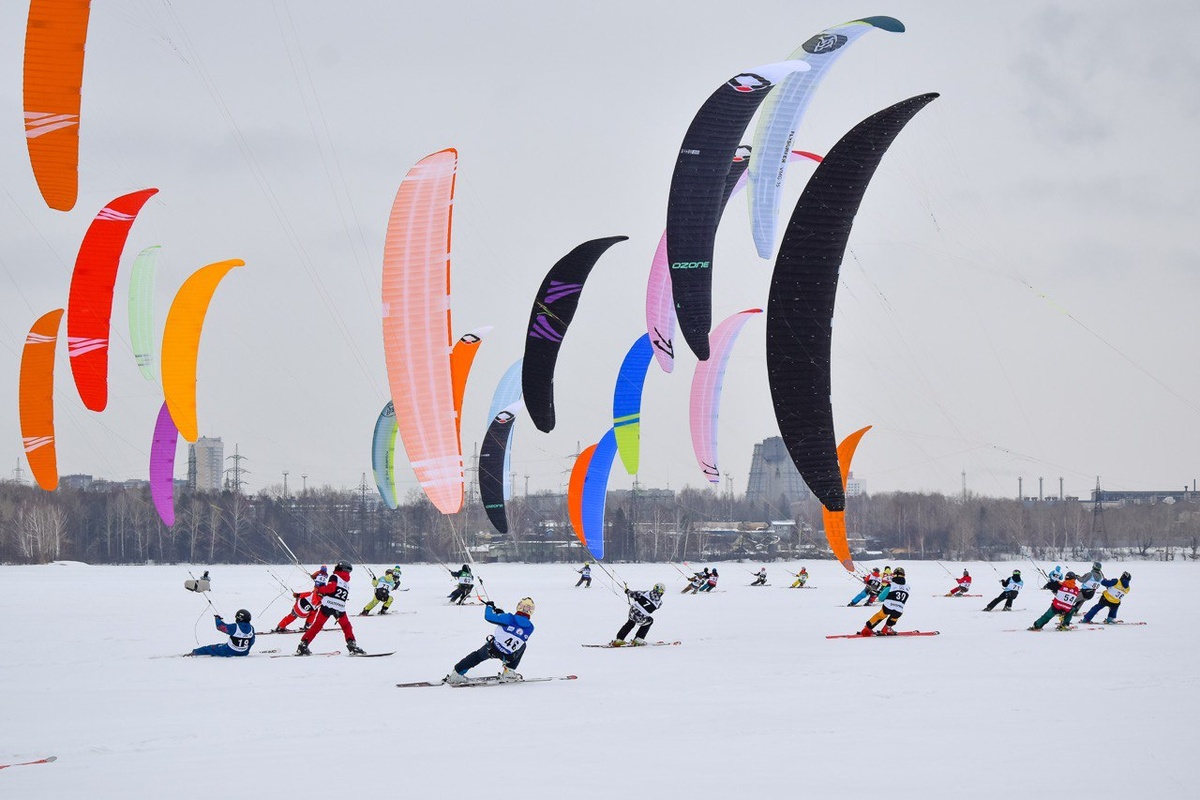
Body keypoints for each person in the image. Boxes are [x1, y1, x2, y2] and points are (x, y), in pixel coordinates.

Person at [445, 597, 535, 684]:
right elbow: (515, 630)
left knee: (477, 656)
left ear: (519, 606)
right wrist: (501, 615)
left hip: (493, 649)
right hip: (509, 655)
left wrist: (489, 607)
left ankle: (456, 674)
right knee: (523, 646)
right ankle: (509, 672)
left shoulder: (508, 618)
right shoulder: (531, 627)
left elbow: (489, 617)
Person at [297, 561, 364, 655]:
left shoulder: (334, 577)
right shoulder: (346, 583)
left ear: (340, 568)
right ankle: (352, 645)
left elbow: (331, 588)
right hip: (340, 609)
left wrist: (320, 589)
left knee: (317, 626)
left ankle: (303, 645)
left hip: (327, 606)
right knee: (346, 626)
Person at [273, 566, 327, 631]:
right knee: (314, 612)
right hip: (304, 613)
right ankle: (307, 626)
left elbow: (300, 595)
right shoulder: (319, 602)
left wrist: (296, 595)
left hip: (297, 608)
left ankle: (281, 626)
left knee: (292, 616)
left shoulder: (310, 594)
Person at [860, 567, 908, 636]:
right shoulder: (907, 587)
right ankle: (887, 628)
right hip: (899, 609)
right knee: (894, 617)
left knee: (880, 615)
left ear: (893, 575)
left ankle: (867, 628)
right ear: (904, 575)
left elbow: (881, 598)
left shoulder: (891, 585)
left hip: (887, 606)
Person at [190, 609, 255, 657]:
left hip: (229, 651)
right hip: (244, 652)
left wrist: (217, 619)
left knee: (212, 648)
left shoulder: (235, 627)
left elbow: (221, 627)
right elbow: (252, 642)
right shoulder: (251, 628)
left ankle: (195, 652)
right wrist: (244, 651)